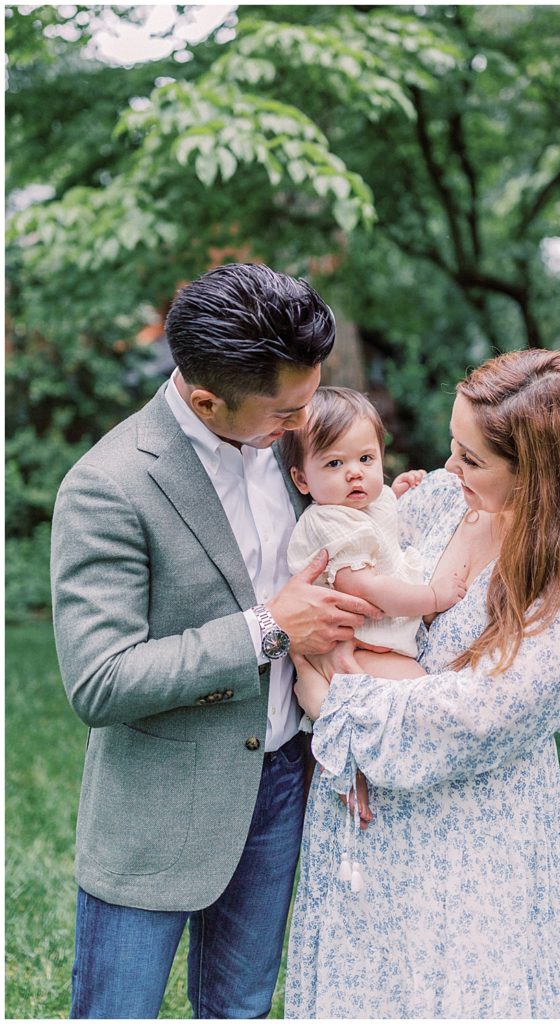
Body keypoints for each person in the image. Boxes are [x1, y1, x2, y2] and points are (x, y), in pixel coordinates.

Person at [285, 348, 560, 1020]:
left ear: (541, 474)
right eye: (452, 446)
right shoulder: (435, 500)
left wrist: (332, 703)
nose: (448, 467)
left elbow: (482, 712)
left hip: (478, 843)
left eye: (473, 459)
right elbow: (331, 590)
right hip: (371, 818)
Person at [50, 262, 383, 1020]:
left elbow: (339, 504)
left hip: (278, 785)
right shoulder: (107, 486)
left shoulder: (282, 447)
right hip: (159, 807)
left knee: (241, 1009)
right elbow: (99, 681)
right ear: (205, 399)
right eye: (286, 411)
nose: (304, 424)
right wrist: (268, 629)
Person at [283, 386, 466, 666]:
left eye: (366, 459)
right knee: (415, 693)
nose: (355, 472)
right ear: (302, 480)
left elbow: (375, 525)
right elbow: (369, 589)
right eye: (334, 463)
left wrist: (394, 493)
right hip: (362, 645)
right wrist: (432, 598)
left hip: (386, 639)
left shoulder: (362, 503)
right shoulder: (328, 522)